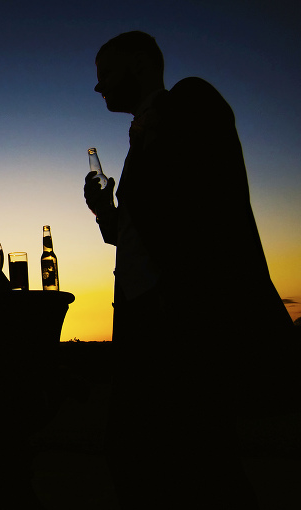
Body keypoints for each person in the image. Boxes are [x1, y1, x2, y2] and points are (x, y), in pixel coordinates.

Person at [84, 31, 295, 509]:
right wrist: (104, 211)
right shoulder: (144, 136)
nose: (99, 89)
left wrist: (155, 126)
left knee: (183, 457)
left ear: (140, 64)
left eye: (106, 75)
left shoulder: (189, 102)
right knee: (175, 458)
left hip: (179, 318)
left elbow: (201, 209)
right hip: (143, 321)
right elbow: (137, 233)